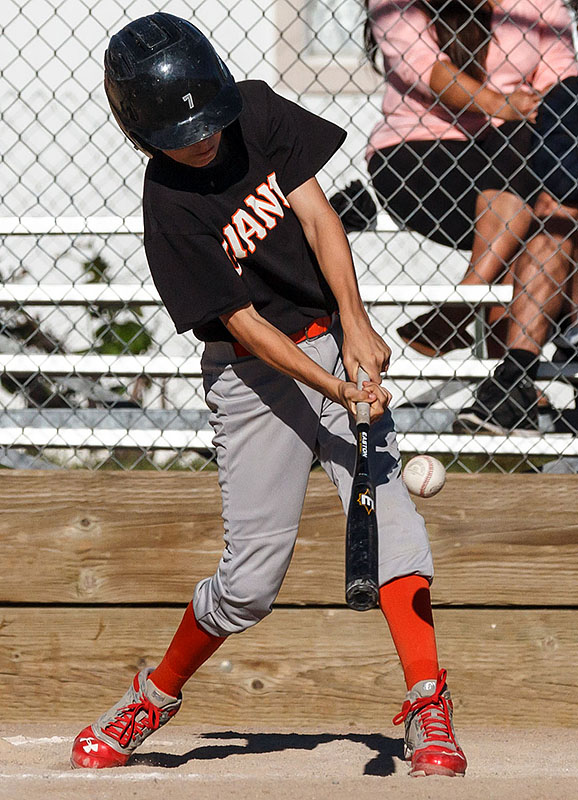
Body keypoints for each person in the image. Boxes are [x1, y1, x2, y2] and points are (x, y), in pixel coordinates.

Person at [69, 13, 467, 777]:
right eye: (183, 134)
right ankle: (154, 693)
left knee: (396, 526)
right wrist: (331, 387)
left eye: (209, 118)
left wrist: (355, 326)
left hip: (324, 336)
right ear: (142, 134)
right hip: (250, 376)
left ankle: (428, 704)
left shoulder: (252, 110)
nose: (206, 138)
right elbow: (247, 329)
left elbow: (318, 215)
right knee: (248, 585)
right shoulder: (171, 209)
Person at [364, 0, 578, 364]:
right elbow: (425, 69)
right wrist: (498, 104)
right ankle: (478, 329)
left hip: (510, 156)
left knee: (543, 179)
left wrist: (521, 112)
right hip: (418, 155)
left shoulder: (539, 3)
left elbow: (560, 80)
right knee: (529, 165)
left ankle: (491, 361)